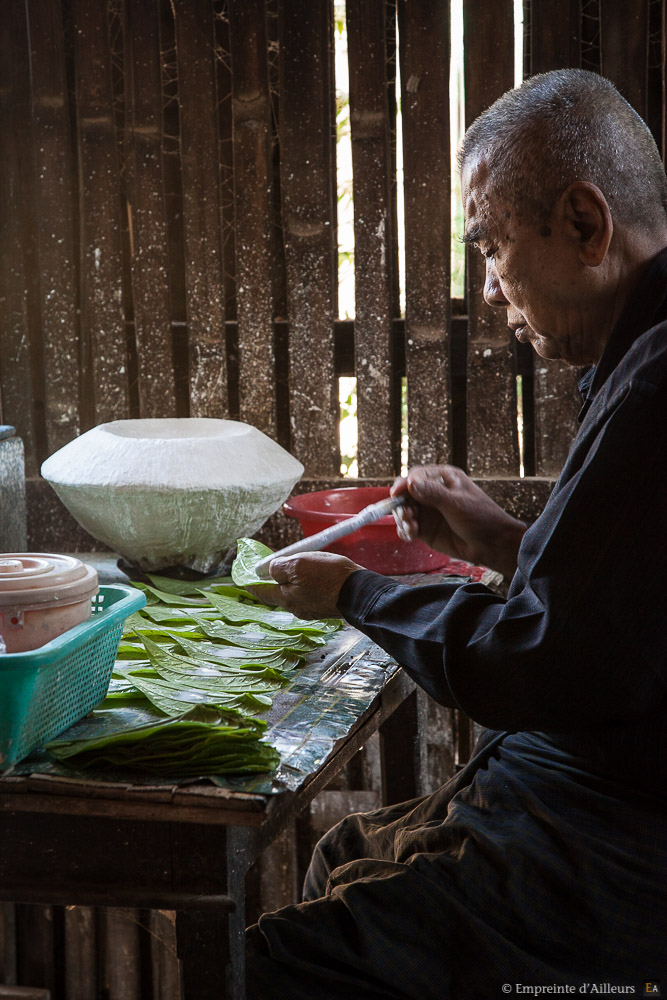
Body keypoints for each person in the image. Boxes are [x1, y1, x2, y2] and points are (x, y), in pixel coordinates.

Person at [245, 69, 667, 997]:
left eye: (491, 247)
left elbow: (542, 662)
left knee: (279, 963)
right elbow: (627, 607)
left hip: (614, 838)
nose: (488, 291)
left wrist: (352, 592)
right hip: (582, 794)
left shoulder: (655, 389)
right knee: (348, 852)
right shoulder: (639, 350)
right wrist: (499, 538)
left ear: (585, 225)